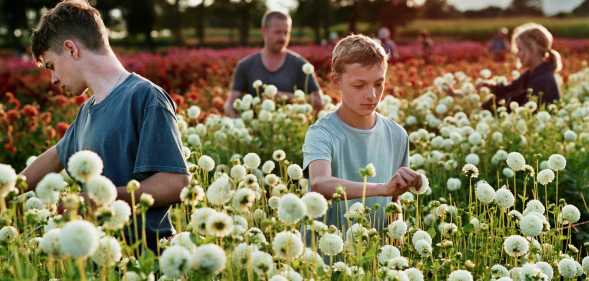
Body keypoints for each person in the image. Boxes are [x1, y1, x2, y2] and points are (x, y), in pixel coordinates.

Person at [21, 0, 189, 250]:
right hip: (101, 259)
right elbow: (53, 157)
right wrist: (7, 190)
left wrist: (99, 199)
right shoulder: (87, 112)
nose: (53, 79)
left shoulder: (144, 97)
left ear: (71, 49)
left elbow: (176, 183)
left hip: (148, 258)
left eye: (51, 66)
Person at [303, 34, 422, 230]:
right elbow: (320, 183)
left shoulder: (397, 135)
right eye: (359, 85)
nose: (371, 95)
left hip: (376, 256)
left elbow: (394, 201)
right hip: (328, 255)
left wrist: (397, 241)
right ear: (336, 81)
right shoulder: (321, 133)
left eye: (378, 84)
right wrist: (381, 189)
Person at [224, 11, 323, 117]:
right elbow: (229, 105)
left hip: (291, 128)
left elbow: (319, 101)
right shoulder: (245, 65)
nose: (283, 38)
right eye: (278, 32)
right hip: (255, 129)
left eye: (286, 33)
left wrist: (285, 97)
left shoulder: (301, 65)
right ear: (264, 31)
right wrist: (240, 123)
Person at [481, 23, 562, 110]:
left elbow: (525, 111)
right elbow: (509, 89)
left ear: (532, 48)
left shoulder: (542, 80)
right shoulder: (531, 74)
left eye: (520, 49)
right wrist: (489, 86)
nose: (517, 54)